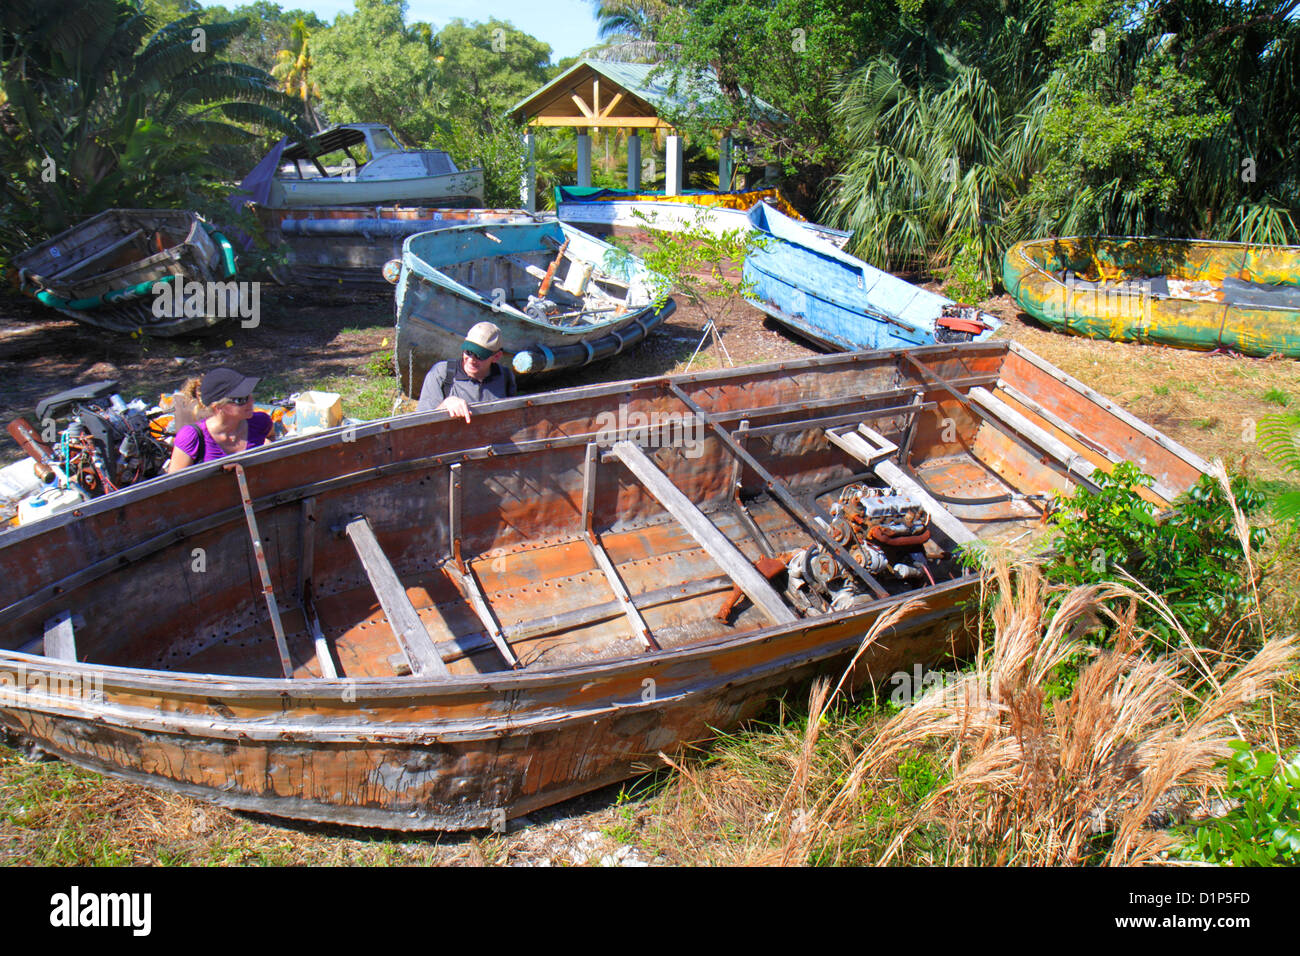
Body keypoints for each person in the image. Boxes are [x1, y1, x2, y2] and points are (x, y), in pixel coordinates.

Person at [166, 367, 274, 472]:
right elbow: (173, 486)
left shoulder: (261, 422)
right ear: (218, 407)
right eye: (241, 399)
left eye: (250, 395)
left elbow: (271, 438)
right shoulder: (192, 437)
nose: (251, 402)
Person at [416, 321, 517, 422]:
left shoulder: (505, 376)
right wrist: (445, 404)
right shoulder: (442, 373)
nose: (471, 360)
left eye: (479, 356)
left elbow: (511, 419)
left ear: (496, 357)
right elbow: (420, 422)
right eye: (468, 352)